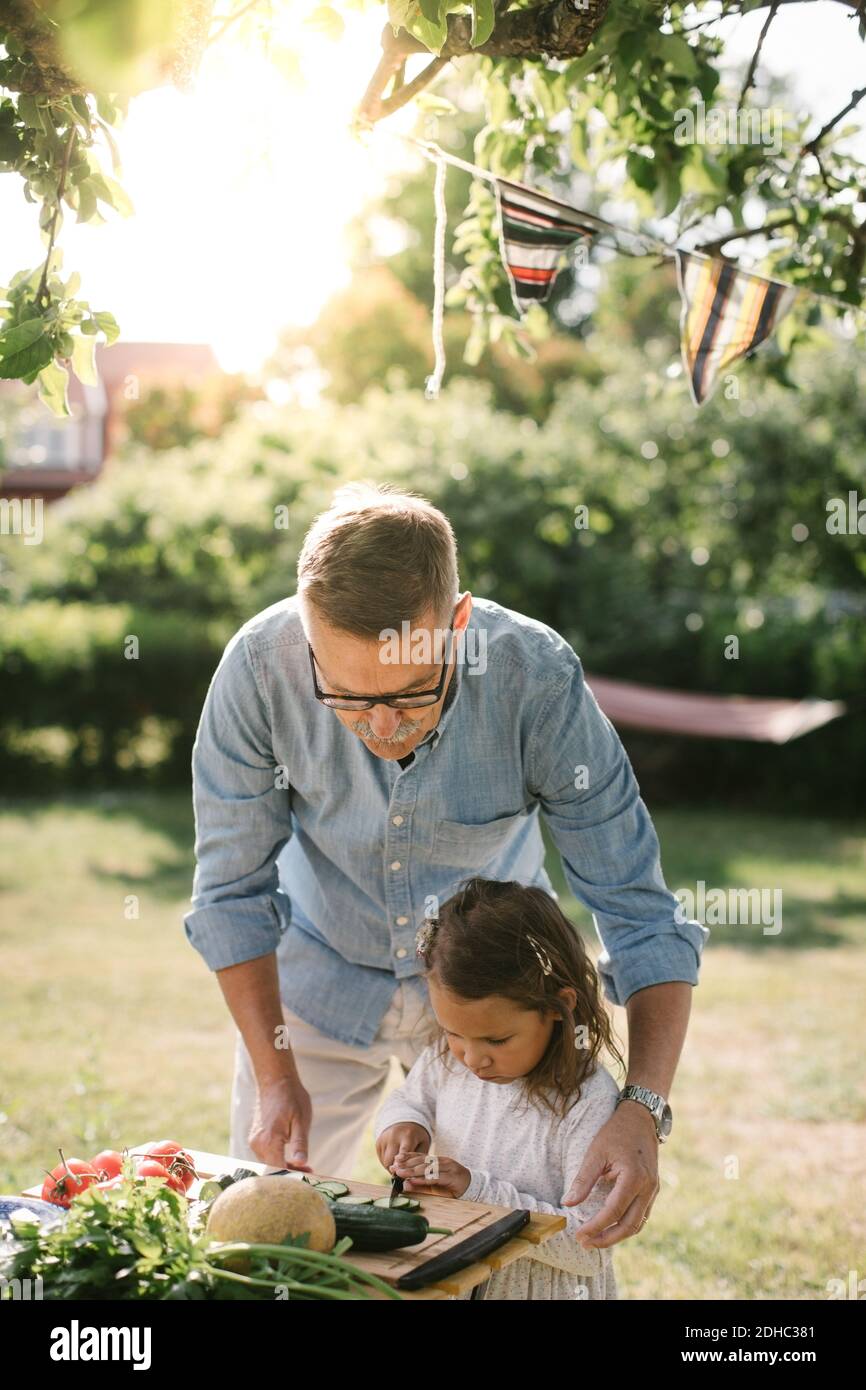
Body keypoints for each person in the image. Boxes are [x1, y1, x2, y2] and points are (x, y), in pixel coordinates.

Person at [184, 479, 709, 1251]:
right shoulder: (258, 672)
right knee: (264, 1244)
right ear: (306, 634)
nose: (384, 726)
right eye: (349, 699)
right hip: (317, 984)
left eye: (410, 692)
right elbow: (231, 894)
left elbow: (638, 911)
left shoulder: (537, 682)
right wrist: (273, 1073)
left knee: (493, 1249)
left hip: (493, 997)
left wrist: (644, 1107)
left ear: (456, 625)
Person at [375, 876, 625, 1300]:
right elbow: (408, 1099)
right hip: (458, 1279)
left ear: (560, 1007)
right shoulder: (444, 1059)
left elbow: (591, 1245)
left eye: (496, 1040)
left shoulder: (586, 1100)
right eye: (453, 1032)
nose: (472, 1059)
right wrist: (403, 1124)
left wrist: (477, 1190)